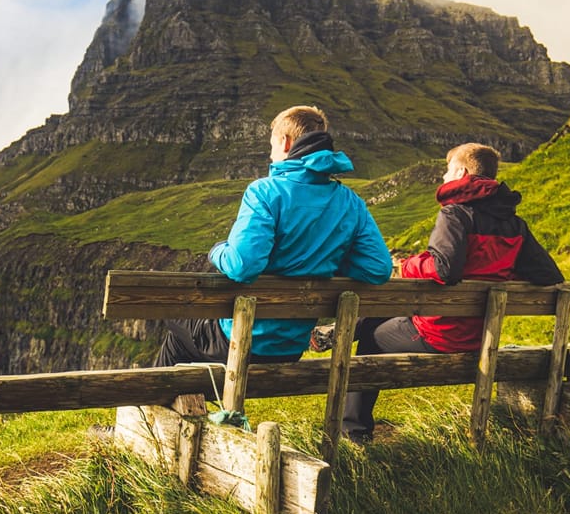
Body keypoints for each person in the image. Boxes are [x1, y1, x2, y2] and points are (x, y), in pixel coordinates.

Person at [340, 142, 564, 442]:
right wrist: (501, 269)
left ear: (462, 171)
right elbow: (549, 275)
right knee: (382, 316)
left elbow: (445, 268)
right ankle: (340, 337)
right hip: (480, 336)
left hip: (441, 335)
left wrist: (410, 265)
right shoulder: (515, 224)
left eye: (447, 171)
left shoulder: (456, 214)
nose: (443, 178)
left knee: (370, 334)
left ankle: (353, 434)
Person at [153, 105, 394, 367]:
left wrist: (217, 250)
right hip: (291, 348)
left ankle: (147, 403)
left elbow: (242, 265)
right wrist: (329, 259)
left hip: (242, 342)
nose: (270, 153)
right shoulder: (350, 202)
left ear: (285, 142)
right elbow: (379, 268)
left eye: (271, 144)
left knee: (176, 318)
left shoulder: (264, 192)